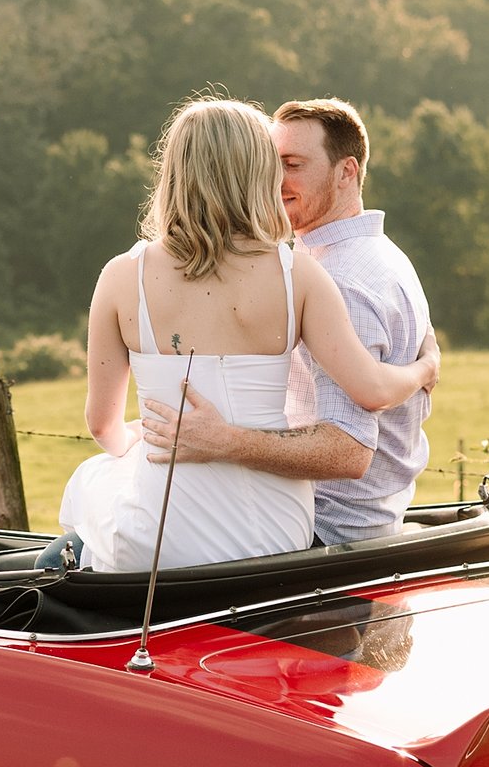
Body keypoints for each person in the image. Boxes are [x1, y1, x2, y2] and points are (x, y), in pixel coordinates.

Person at [53, 98, 436, 571]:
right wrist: (424, 367)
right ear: (255, 172)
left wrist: (143, 438)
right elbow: (373, 388)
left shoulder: (119, 276)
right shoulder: (300, 274)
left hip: (159, 537)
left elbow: (101, 427)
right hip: (279, 533)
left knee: (87, 506)